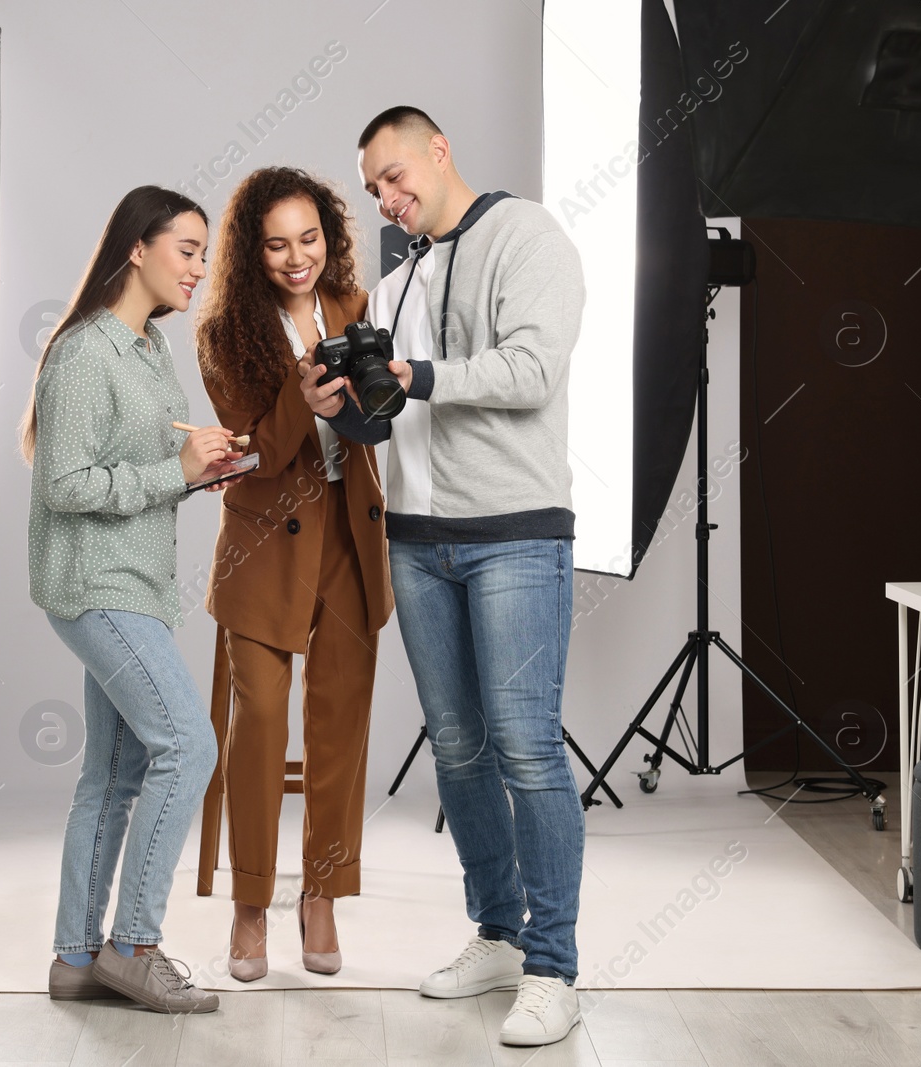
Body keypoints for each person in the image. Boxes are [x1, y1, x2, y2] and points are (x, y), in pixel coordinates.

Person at [298, 107, 588, 1047]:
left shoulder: (526, 234)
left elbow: (532, 370)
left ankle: (554, 965)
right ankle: (498, 932)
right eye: (373, 187)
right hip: (418, 542)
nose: (387, 196)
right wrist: (336, 407)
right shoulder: (395, 282)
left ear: (439, 149)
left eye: (395, 174)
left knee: (528, 747)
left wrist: (416, 373)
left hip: (513, 533)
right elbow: (382, 426)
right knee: (458, 750)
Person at [23, 185, 245, 1015]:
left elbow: (149, 470)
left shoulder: (148, 349)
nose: (199, 266)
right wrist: (173, 473)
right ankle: (135, 946)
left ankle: (78, 959)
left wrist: (203, 469)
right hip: (97, 584)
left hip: (137, 586)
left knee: (113, 775)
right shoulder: (86, 352)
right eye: (187, 248)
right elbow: (65, 483)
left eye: (203, 252)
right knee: (188, 745)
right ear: (137, 249)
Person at [193, 167, 393, 981]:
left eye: (309, 238)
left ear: (329, 236)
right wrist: (301, 401)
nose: (297, 257)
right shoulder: (224, 334)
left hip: (349, 537)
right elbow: (253, 453)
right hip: (265, 544)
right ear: (251, 253)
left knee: (341, 723)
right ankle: (249, 905)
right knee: (260, 725)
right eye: (277, 244)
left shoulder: (354, 305)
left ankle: (322, 895)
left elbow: (379, 423)